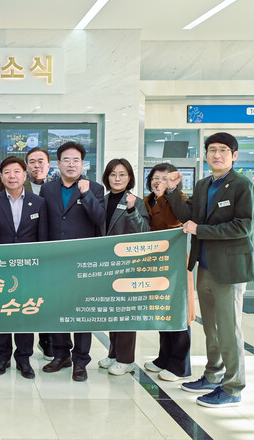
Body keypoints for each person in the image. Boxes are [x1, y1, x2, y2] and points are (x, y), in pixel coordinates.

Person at [164, 132, 254, 408]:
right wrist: (172, 191)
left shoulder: (242, 185)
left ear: (234, 155)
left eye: (223, 150)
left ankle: (233, 387)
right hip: (204, 265)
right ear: (205, 155)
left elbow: (243, 226)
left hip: (229, 268)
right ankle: (213, 375)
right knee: (211, 329)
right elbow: (187, 216)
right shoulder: (204, 185)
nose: (217, 154)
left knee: (228, 330)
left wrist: (201, 230)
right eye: (212, 149)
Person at [40, 141, 105, 382]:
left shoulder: (95, 188)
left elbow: (99, 219)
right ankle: (61, 355)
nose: (71, 164)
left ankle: (80, 360)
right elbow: (43, 223)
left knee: (82, 311)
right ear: (58, 164)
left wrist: (86, 195)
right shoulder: (48, 189)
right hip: (55, 260)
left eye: (76, 160)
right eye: (66, 159)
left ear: (82, 164)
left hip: (83, 261)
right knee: (58, 308)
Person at [0, 156, 47, 379]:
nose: (12, 176)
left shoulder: (38, 202)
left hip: (28, 268)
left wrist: (40, 267)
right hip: (1, 267)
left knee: (25, 312)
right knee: (2, 312)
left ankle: (24, 358)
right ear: (1, 177)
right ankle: (2, 357)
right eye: (7, 172)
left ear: (24, 175)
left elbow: (42, 238)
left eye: (17, 171)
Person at [97, 159, 150, 376]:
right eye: (113, 174)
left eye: (122, 174)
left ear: (130, 178)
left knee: (126, 312)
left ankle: (126, 359)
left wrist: (131, 210)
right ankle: (113, 353)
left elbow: (144, 232)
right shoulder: (102, 200)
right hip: (107, 264)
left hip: (128, 265)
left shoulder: (136, 202)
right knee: (112, 310)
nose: (117, 179)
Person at [142, 163, 195, 382]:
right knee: (162, 310)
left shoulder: (180, 201)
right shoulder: (147, 201)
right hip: (155, 263)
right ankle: (164, 358)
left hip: (174, 264)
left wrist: (167, 195)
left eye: (164, 178)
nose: (158, 182)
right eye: (155, 177)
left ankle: (180, 366)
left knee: (178, 312)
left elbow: (174, 221)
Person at [24, 147, 53, 359]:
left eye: (41, 161)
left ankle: (47, 340)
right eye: (32, 162)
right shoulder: (16, 182)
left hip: (50, 252)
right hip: (24, 251)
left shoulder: (57, 187)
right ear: (26, 166)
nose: (37, 165)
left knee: (47, 299)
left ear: (49, 165)